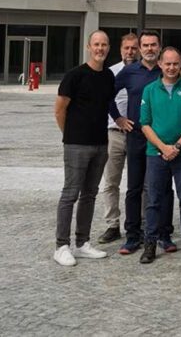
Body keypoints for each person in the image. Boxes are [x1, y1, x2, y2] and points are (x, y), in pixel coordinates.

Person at [52, 31, 114, 266]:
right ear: (89, 47)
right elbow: (59, 109)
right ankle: (61, 246)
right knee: (70, 194)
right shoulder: (74, 76)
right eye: (96, 44)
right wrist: (69, 135)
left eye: (104, 45)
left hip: (100, 144)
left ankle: (82, 242)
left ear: (108, 48)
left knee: (90, 194)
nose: (100, 48)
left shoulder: (108, 76)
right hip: (76, 144)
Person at [138, 47, 181, 264]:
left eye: (175, 63)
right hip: (155, 154)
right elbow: (145, 123)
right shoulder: (150, 90)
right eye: (167, 64)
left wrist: (177, 146)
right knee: (154, 200)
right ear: (160, 64)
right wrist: (163, 147)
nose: (172, 68)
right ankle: (150, 243)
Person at [109, 30, 163, 255]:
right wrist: (118, 118)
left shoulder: (166, 70)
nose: (150, 49)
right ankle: (132, 235)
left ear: (159, 48)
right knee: (134, 187)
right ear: (140, 49)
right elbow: (108, 95)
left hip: (160, 139)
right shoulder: (129, 72)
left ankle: (159, 232)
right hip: (136, 136)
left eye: (153, 45)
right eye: (146, 45)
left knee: (158, 187)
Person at [98, 33, 140, 244]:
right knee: (111, 182)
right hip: (114, 133)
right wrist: (118, 118)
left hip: (138, 135)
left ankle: (141, 223)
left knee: (139, 182)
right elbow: (105, 98)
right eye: (127, 48)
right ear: (121, 50)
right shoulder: (111, 72)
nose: (130, 52)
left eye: (134, 48)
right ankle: (112, 224)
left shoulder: (143, 71)